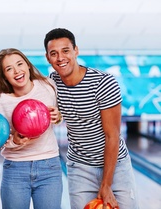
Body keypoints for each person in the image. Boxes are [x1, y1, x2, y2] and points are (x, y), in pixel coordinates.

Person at [44, 28, 139, 209]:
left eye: (65, 51)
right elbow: (57, 116)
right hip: (79, 167)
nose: (60, 58)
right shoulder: (51, 83)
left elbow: (112, 135)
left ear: (76, 51)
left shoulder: (103, 83)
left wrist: (106, 184)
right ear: (48, 58)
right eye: (53, 53)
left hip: (116, 165)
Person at [0, 48, 63, 209]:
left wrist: (57, 117)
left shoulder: (47, 86)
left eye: (20, 64)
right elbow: (1, 141)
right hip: (15, 168)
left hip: (49, 165)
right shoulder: (0, 101)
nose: (17, 71)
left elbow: (57, 117)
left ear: (28, 66)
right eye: (9, 69)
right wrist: (15, 141)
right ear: (4, 76)